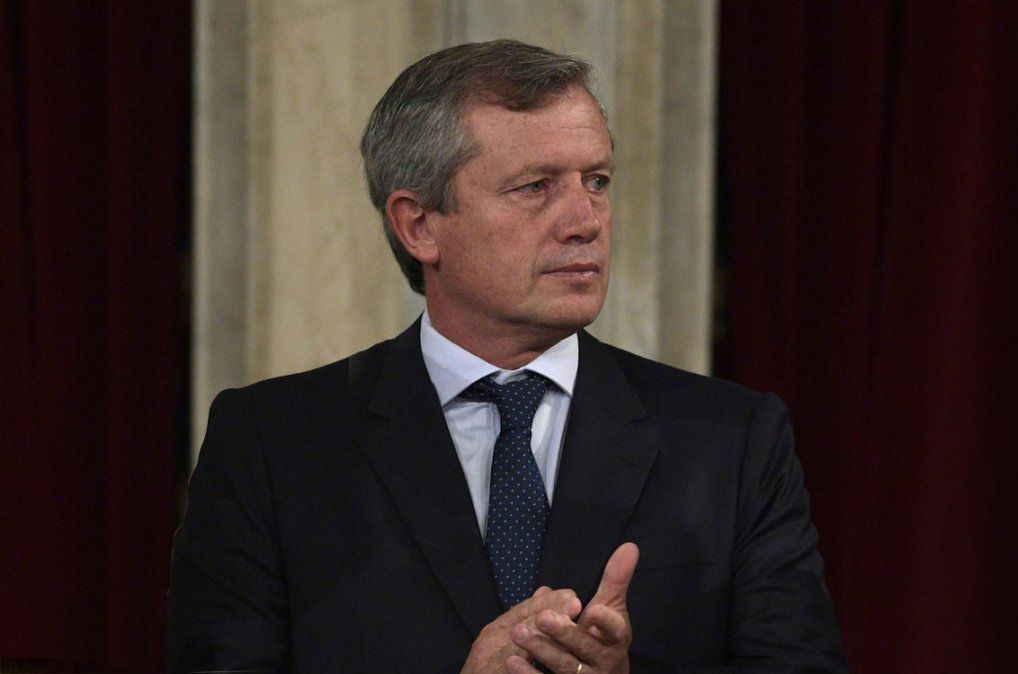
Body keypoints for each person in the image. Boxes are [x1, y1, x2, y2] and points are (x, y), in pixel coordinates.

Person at [167, 40, 847, 674]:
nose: (585, 221)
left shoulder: (732, 442)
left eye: (597, 181)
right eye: (535, 187)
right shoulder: (273, 445)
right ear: (419, 225)